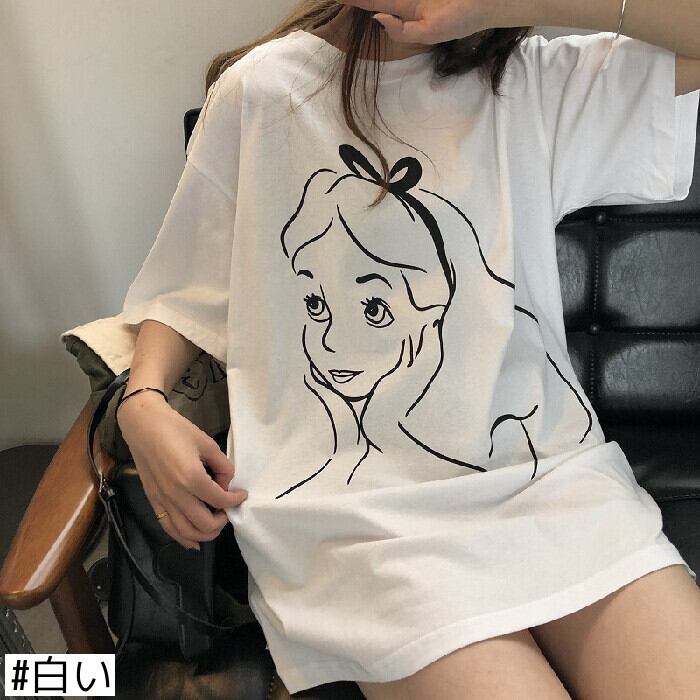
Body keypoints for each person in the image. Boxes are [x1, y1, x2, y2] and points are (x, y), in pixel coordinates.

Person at [116, 1, 700, 697]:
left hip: (551, 484)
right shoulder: (263, 91)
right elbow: (192, 283)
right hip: (359, 520)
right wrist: (142, 401)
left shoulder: (537, 84)